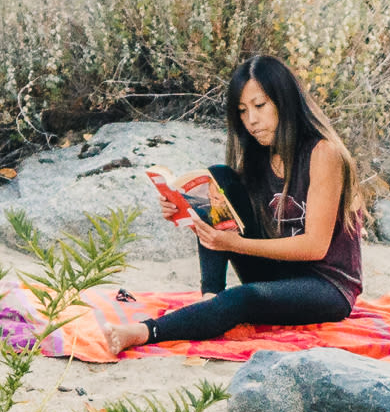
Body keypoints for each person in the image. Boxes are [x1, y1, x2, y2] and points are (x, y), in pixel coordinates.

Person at [109, 54, 366, 350]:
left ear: (284, 101)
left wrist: (235, 244)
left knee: (244, 298)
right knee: (219, 181)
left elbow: (314, 246)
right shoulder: (261, 154)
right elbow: (228, 220)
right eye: (243, 111)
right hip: (277, 271)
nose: (251, 120)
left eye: (260, 106)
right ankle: (210, 298)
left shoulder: (323, 153)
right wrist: (185, 210)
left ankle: (144, 332)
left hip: (326, 287)